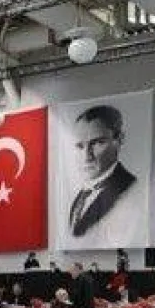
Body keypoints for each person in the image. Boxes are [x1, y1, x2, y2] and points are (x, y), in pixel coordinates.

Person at [65, 105, 140, 247]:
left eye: (98, 143)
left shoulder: (131, 190)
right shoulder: (81, 195)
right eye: (80, 146)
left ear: (119, 140)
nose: (87, 156)